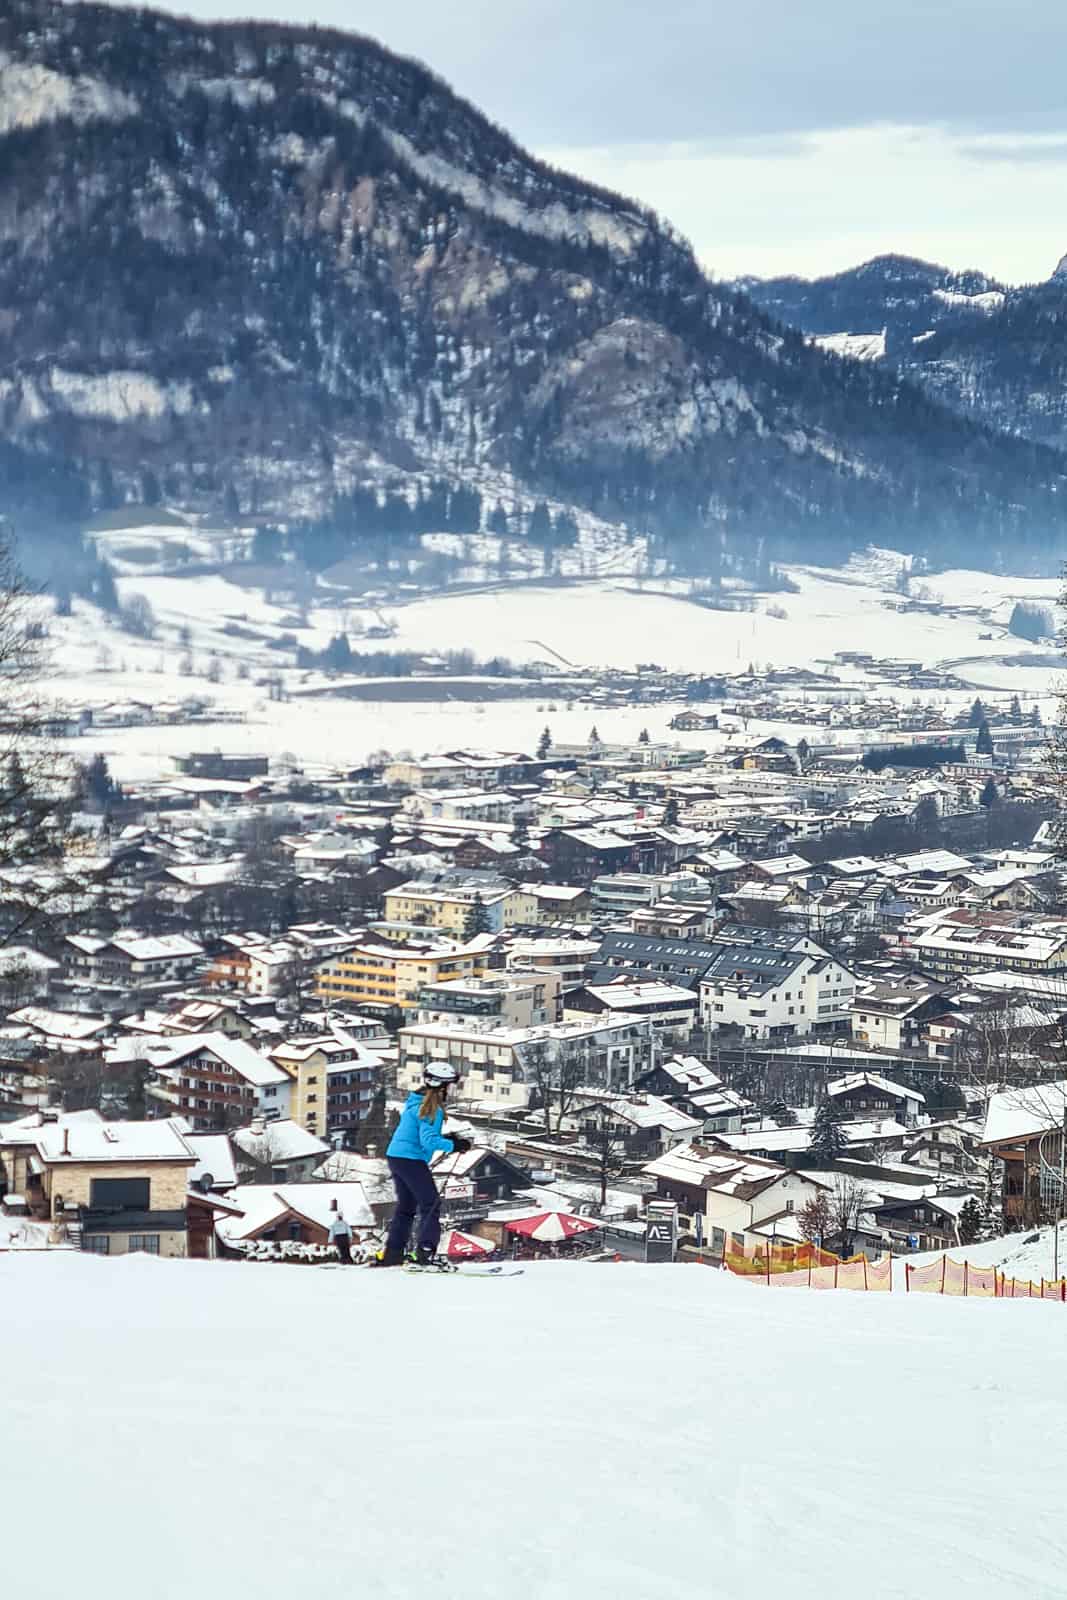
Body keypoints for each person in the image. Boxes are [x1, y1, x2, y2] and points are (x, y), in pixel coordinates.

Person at [371, 1064, 471, 1266]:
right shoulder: (431, 1108)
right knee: (430, 1204)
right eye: (450, 1086)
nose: (451, 1090)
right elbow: (428, 1141)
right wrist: (454, 1144)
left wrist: (446, 1138)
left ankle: (393, 1254)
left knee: (406, 1207)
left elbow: (421, 1133)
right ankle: (425, 1253)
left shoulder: (417, 1102)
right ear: (441, 1087)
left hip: (396, 1156)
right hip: (411, 1159)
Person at [327, 1197, 353, 1264]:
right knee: (345, 1249)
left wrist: (330, 1240)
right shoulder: (344, 1223)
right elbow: (349, 1230)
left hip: (339, 1237)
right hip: (343, 1237)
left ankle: (345, 1260)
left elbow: (332, 1232)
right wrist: (350, 1237)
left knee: (342, 1249)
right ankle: (347, 1260)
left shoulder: (335, 1223)